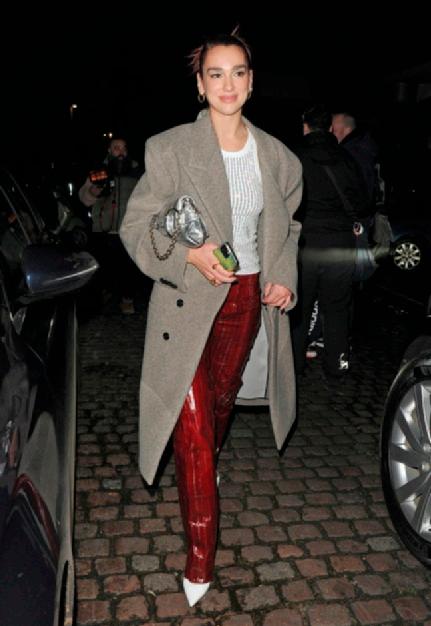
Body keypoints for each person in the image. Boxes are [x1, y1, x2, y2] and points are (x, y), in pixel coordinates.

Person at [120, 30, 302, 606]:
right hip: (187, 300)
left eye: (238, 72)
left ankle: (204, 468)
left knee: (220, 404)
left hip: (244, 299)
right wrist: (187, 255)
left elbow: (286, 228)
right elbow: (135, 224)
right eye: (216, 74)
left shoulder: (279, 157)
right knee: (193, 422)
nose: (228, 84)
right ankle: (200, 556)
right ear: (200, 85)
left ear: (251, 81)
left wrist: (283, 276)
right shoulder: (169, 148)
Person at [292, 105, 370, 381]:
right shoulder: (347, 158)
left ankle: (294, 366)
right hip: (339, 245)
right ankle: (338, 364)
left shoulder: (295, 157)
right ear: (329, 128)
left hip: (306, 243)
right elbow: (363, 202)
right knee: (337, 307)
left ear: (305, 126)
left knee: (299, 308)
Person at [79, 137, 142, 314]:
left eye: (124, 148)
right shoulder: (99, 171)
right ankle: (105, 295)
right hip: (103, 230)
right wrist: (93, 191)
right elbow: (84, 198)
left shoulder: (138, 172)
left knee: (129, 269)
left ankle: (127, 299)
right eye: (116, 148)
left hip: (129, 230)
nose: (120, 152)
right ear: (109, 150)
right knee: (104, 268)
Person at [331, 112, 379, 203]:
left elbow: (364, 190)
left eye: (334, 130)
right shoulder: (354, 148)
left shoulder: (356, 153)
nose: (330, 134)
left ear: (347, 130)